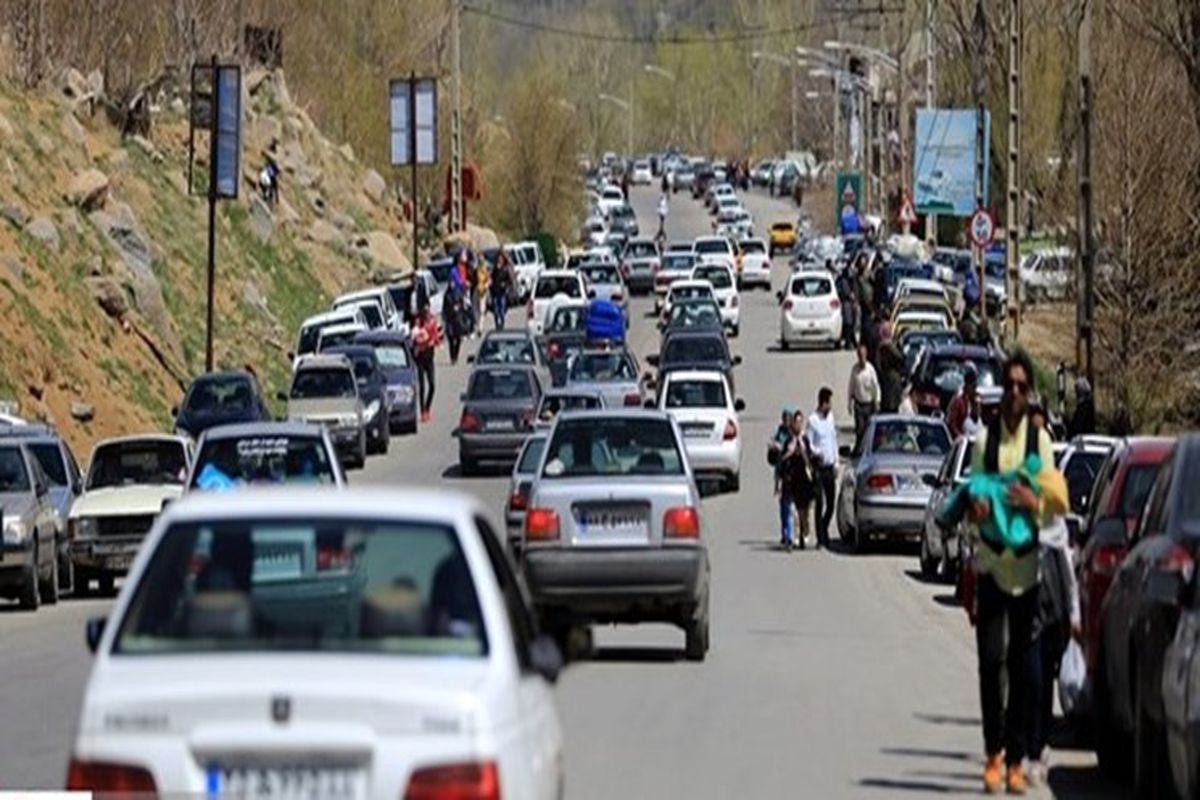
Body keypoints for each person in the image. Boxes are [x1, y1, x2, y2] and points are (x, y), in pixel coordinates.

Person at [966, 351, 1068, 795]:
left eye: (1023, 386)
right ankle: (993, 752)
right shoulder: (984, 442)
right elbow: (972, 500)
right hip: (991, 566)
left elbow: (1056, 498)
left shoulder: (1038, 444)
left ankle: (1016, 758)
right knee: (992, 665)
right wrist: (979, 510)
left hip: (1028, 572)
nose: (1014, 393)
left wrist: (1035, 504)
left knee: (1028, 673)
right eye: (1009, 384)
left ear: (1029, 393)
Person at [777, 410, 815, 551]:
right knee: (792, 511)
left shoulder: (805, 440)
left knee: (804, 511)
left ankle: (804, 534)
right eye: (796, 422)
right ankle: (792, 538)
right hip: (791, 480)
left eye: (800, 422)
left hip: (804, 481)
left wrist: (804, 452)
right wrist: (790, 452)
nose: (798, 425)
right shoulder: (789, 441)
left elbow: (810, 461)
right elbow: (781, 461)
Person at [806, 387, 838, 549]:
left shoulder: (831, 418)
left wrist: (836, 461)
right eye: (829, 402)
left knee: (831, 504)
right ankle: (820, 537)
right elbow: (809, 444)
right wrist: (817, 453)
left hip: (830, 467)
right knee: (820, 503)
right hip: (819, 467)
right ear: (823, 403)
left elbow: (833, 440)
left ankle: (824, 527)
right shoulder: (813, 421)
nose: (831, 406)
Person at [847, 345, 881, 454]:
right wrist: (849, 402)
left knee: (869, 430)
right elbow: (851, 386)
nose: (861, 358)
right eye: (859, 355)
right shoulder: (855, 370)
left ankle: (868, 450)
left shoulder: (870, 370)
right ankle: (859, 450)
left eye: (863, 355)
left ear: (866, 356)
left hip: (869, 404)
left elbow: (875, 387)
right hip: (859, 404)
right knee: (859, 429)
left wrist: (877, 402)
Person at [412, 304, 441, 424]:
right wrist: (418, 343)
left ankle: (427, 407)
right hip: (420, 359)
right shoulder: (418, 323)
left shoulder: (433, 322)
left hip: (429, 358)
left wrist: (434, 342)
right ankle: (423, 411)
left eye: (428, 312)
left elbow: (436, 337)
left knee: (432, 385)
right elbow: (413, 339)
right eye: (425, 312)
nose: (427, 315)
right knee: (422, 386)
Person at [877, 323, 906, 413]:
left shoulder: (882, 347)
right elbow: (900, 357)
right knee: (891, 407)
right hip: (891, 382)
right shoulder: (887, 347)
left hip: (888, 382)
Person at [947, 367, 979, 439]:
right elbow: (952, 423)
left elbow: (976, 420)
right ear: (967, 385)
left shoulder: (973, 400)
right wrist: (960, 437)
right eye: (973, 386)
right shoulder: (958, 400)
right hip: (960, 439)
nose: (974, 389)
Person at [491, 251, 513, 329]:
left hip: (502, 292)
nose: (499, 261)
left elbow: (509, 281)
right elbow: (492, 279)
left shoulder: (505, 270)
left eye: (501, 259)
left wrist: (506, 286)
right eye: (498, 259)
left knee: (502, 310)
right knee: (496, 310)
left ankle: (502, 323)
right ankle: (497, 324)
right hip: (495, 292)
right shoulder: (494, 269)